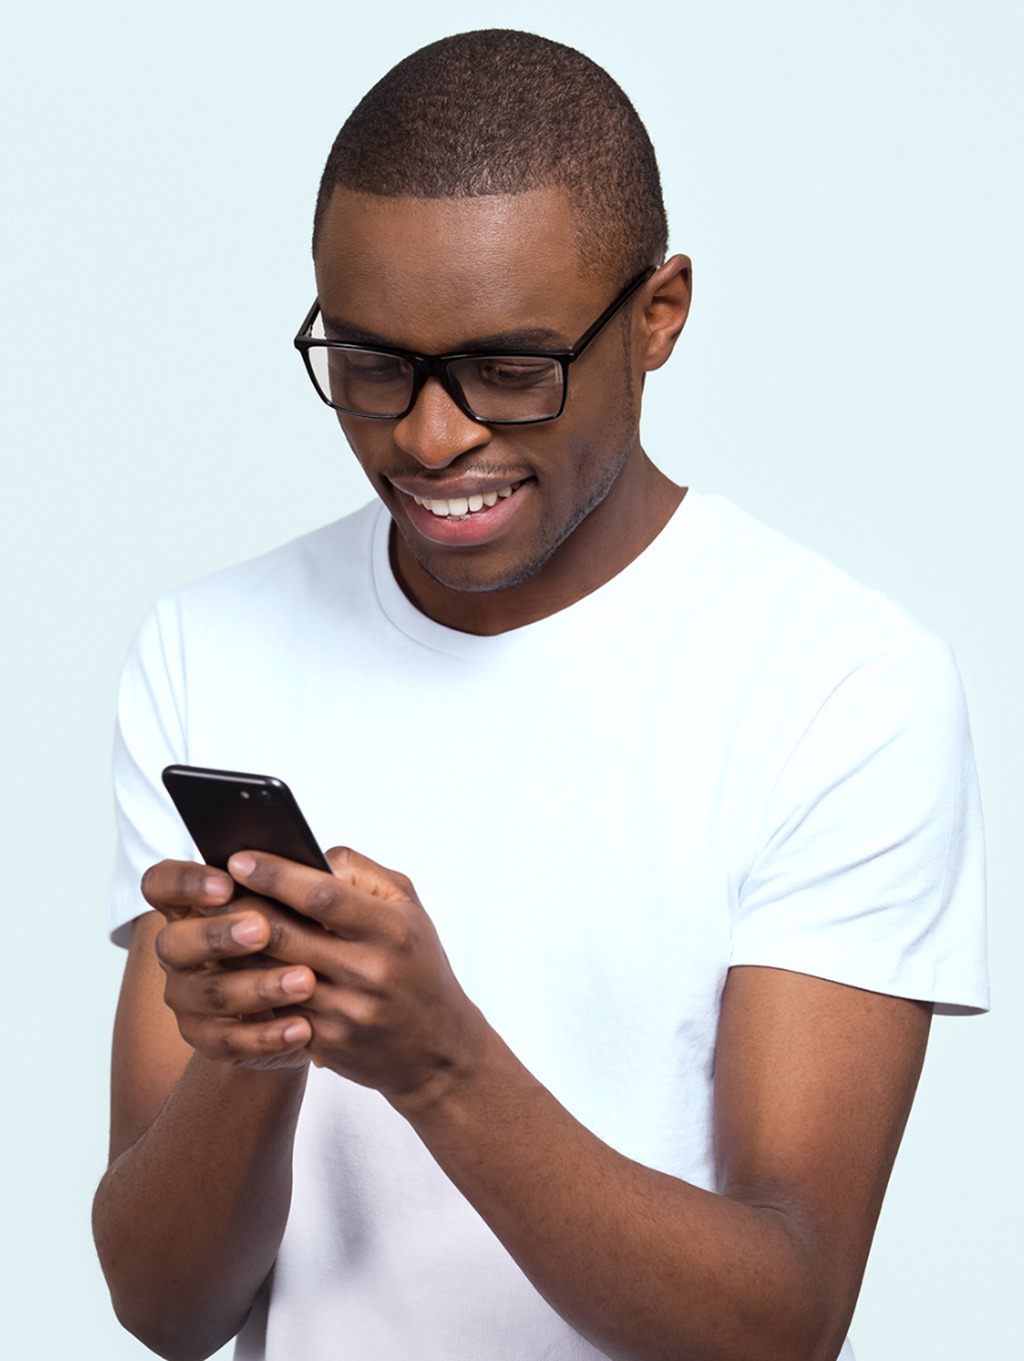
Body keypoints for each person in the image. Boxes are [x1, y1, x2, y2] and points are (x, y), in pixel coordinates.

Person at [92, 28, 987, 1361]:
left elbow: (783, 1323)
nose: (431, 434)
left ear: (658, 315)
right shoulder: (209, 648)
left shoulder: (840, 686)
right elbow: (164, 1311)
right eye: (371, 362)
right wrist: (253, 1051)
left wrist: (440, 1063)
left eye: (511, 370)